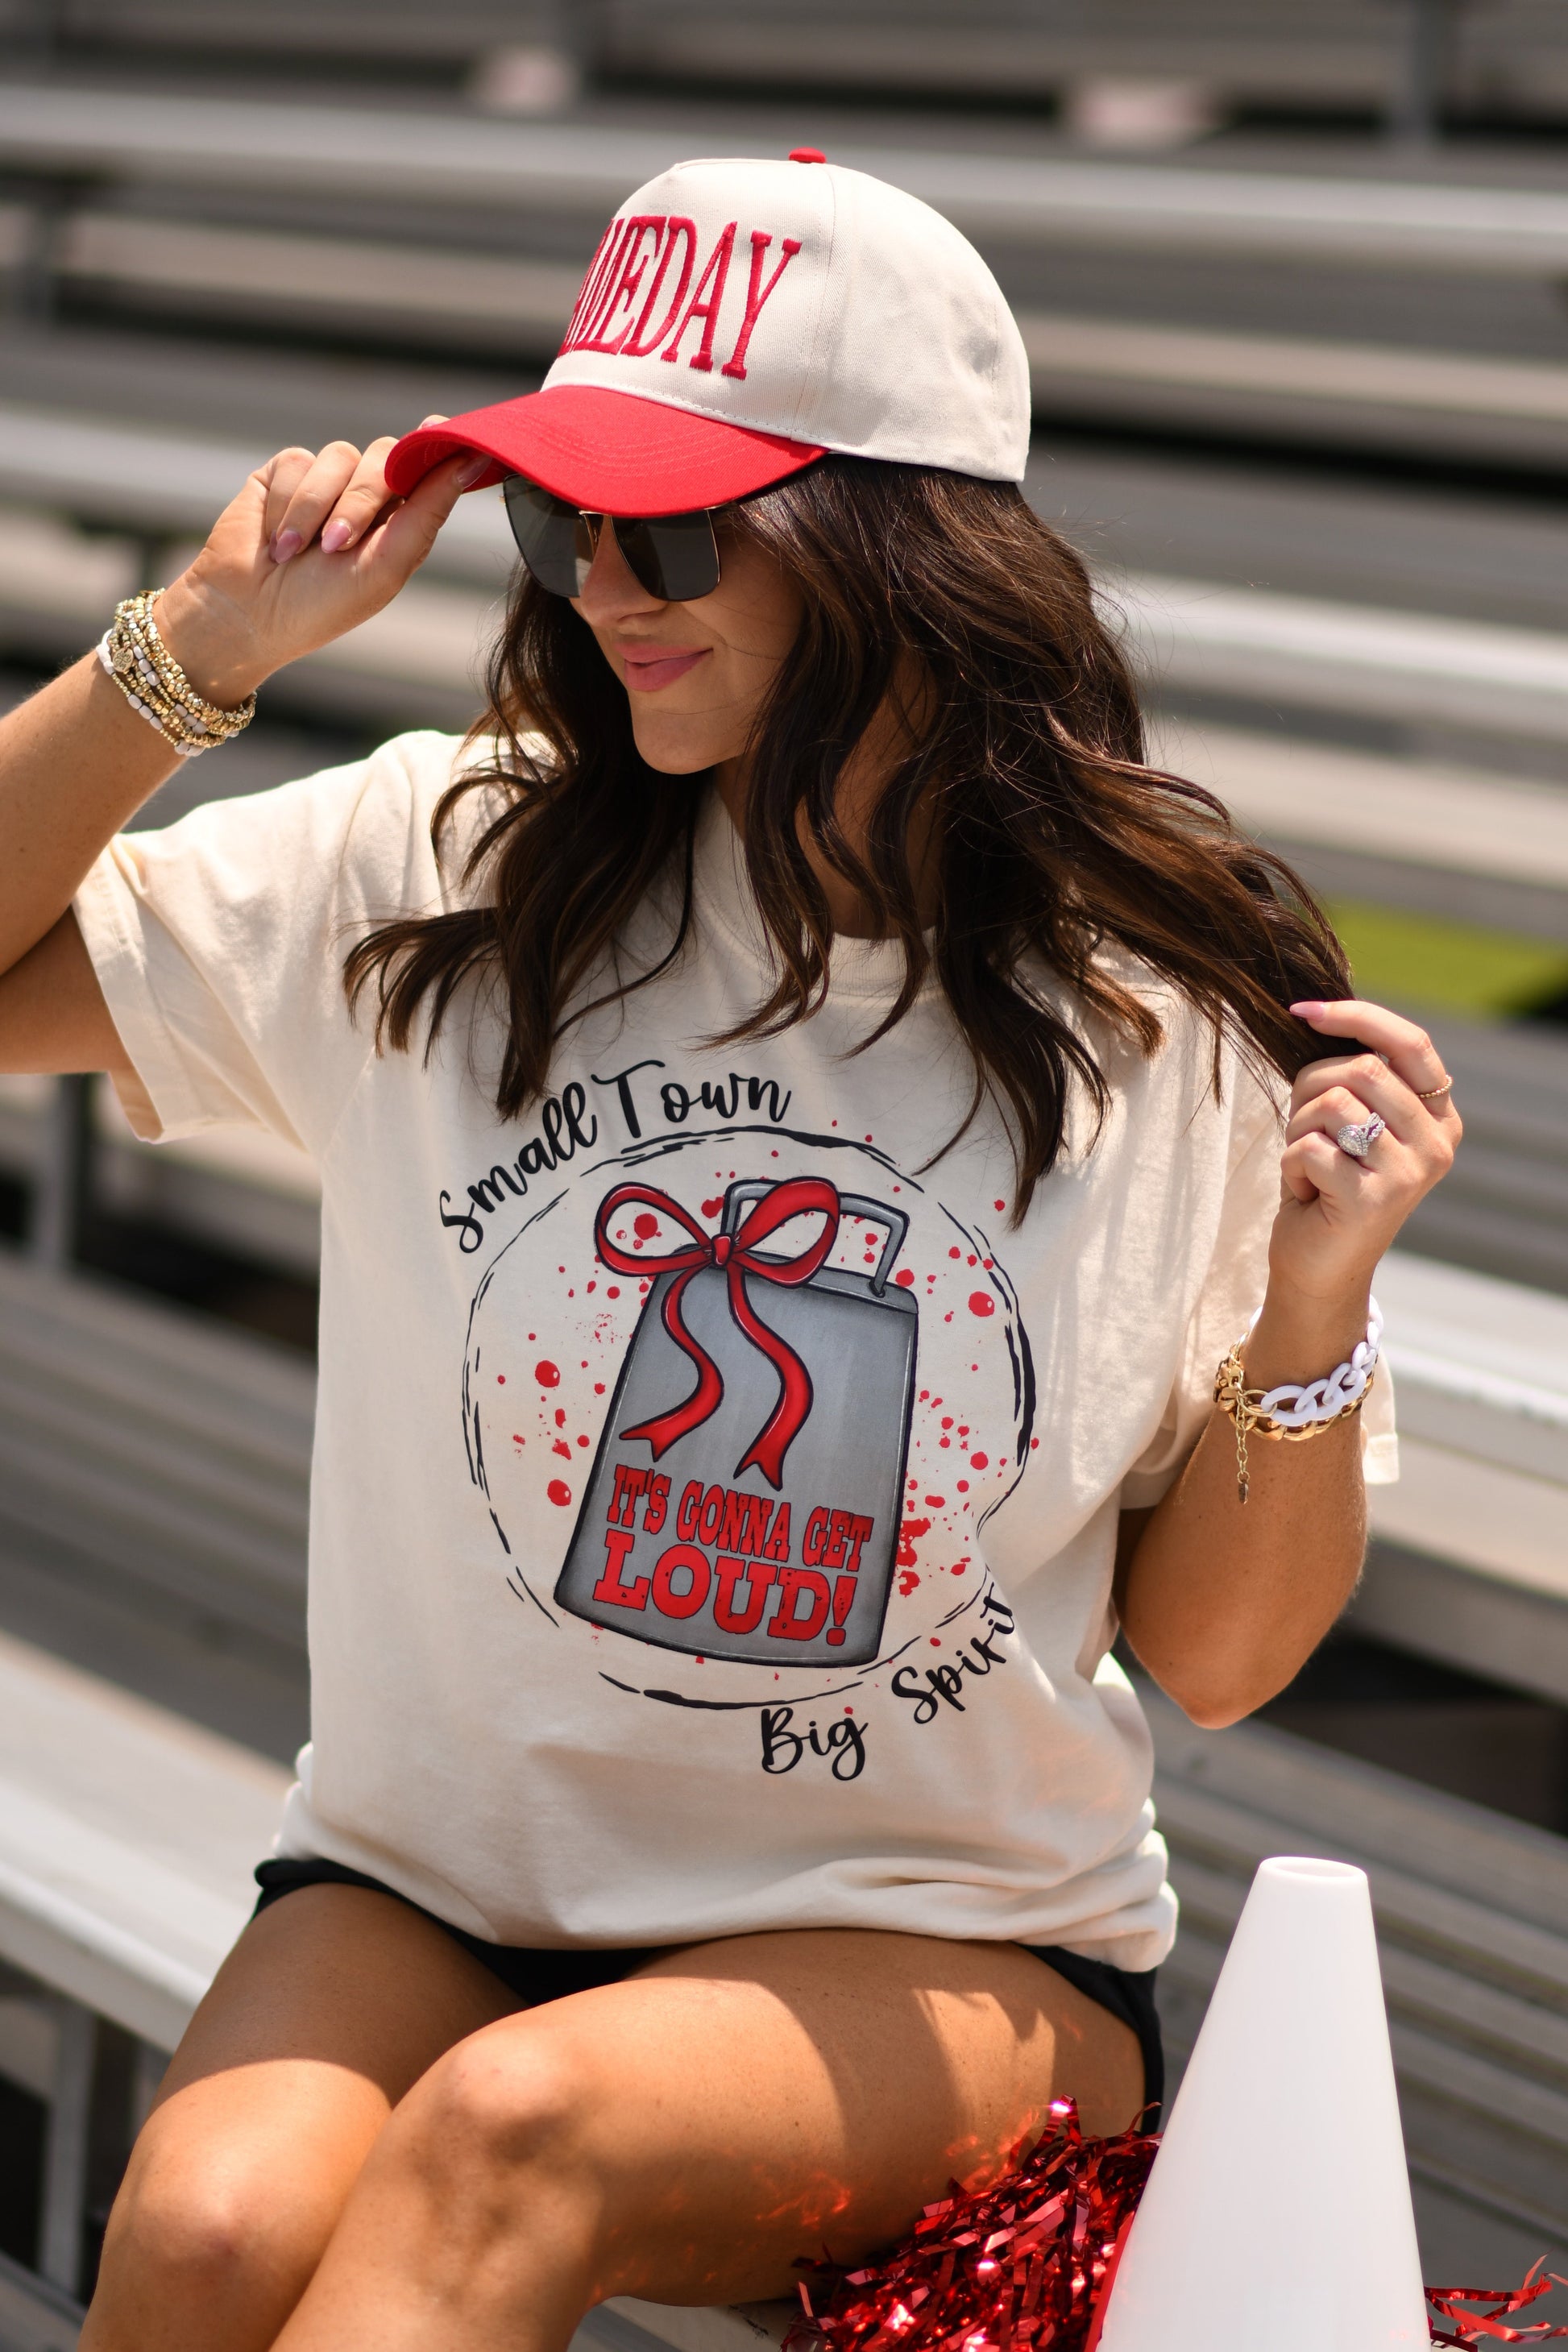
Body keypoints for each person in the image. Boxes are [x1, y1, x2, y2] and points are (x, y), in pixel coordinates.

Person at [0, 153, 1457, 2352]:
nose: (599, 586)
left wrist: (1314, 1308)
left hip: (947, 1944)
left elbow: (1222, 1659)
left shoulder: (1159, 1012)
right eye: (556, 522)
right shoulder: (452, 863)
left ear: (888, 549)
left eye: (669, 530)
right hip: (442, 1886)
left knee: (517, 2134)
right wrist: (191, 652)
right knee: (208, 2232)